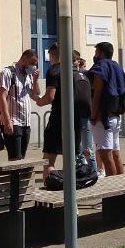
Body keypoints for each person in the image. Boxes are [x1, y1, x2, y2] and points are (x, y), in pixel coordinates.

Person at [40, 44, 92, 183]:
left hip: (58, 119)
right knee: (69, 160)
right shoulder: (76, 71)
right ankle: (69, 191)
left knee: (49, 160)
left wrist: (38, 101)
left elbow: (50, 97)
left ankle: (49, 187)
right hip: (75, 121)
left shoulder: (54, 70)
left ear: (52, 55)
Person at [86, 41, 125, 176]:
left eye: (96, 52)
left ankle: (114, 191)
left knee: (106, 155)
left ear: (101, 53)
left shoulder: (100, 67)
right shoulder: (117, 66)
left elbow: (97, 93)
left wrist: (93, 115)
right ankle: (123, 188)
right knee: (116, 154)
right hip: (115, 115)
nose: (95, 55)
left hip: (102, 117)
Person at [0, 48, 42, 162]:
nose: (33, 67)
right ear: (24, 59)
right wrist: (7, 121)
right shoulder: (7, 73)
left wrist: (35, 80)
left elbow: (35, 94)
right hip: (13, 122)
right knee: (15, 160)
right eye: (31, 63)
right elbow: (1, 97)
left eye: (35, 64)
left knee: (22, 160)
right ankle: (15, 180)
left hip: (26, 123)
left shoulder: (28, 75)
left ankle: (19, 180)